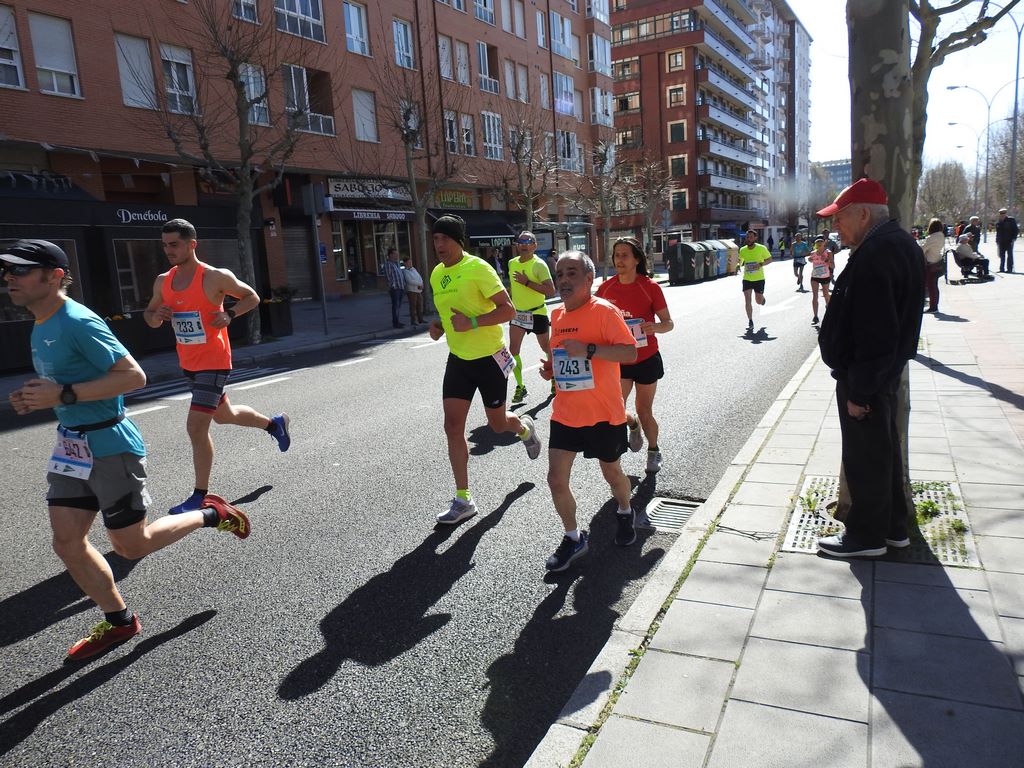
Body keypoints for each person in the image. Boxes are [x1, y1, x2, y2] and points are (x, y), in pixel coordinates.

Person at [3, 239, 251, 661]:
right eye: (6, 270)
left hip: (110, 446)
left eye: (20, 270)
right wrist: (37, 398)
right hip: (72, 446)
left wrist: (62, 392)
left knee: (130, 547)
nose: (9, 277)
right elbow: (66, 389)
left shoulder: (77, 322)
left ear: (55, 277)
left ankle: (211, 513)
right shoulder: (41, 322)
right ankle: (120, 621)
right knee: (67, 543)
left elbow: (133, 377)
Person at [143, 219, 290, 514]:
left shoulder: (214, 277)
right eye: (165, 245)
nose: (168, 250)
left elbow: (252, 296)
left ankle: (200, 495)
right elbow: (150, 316)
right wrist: (156, 314)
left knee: (196, 427)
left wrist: (230, 314)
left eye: (174, 244)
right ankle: (275, 424)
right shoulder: (163, 281)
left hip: (215, 361)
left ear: (192, 244)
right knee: (225, 416)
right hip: (189, 362)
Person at [815, 178, 924, 558]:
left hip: (867, 380)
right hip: (876, 376)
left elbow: (877, 334)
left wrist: (859, 392)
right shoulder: (891, 244)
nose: (835, 228)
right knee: (882, 453)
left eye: (840, 219)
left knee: (867, 459)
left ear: (862, 215)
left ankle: (866, 538)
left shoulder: (879, 252)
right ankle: (893, 529)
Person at [427, 214, 542, 525]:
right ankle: (463, 499)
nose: (439, 245)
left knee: (497, 424)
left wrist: (472, 323)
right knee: (453, 427)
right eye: (435, 239)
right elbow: (451, 316)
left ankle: (524, 428)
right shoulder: (437, 274)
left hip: (489, 358)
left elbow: (508, 310)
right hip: (459, 360)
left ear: (458, 241)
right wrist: (439, 327)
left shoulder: (478, 268)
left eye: (445, 239)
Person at [540, 251, 639, 572]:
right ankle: (573, 537)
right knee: (556, 479)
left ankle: (625, 511)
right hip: (566, 413)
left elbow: (629, 351)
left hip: (603, 413)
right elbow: (564, 360)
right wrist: (551, 369)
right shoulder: (557, 317)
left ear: (587, 279)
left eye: (571, 273)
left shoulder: (604, 312)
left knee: (612, 475)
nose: (564, 280)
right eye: (560, 274)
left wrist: (589, 349)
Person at [596, 237, 674, 474]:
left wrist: (654, 327)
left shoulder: (649, 287)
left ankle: (653, 450)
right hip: (619, 360)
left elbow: (668, 323)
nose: (619, 260)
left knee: (644, 409)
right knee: (615, 408)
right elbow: (595, 321)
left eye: (624, 255)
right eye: (616, 255)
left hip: (646, 358)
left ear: (637, 259)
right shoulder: (605, 289)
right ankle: (633, 426)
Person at [507, 230, 556, 404]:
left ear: (535, 246)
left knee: (546, 348)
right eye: (520, 241)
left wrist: (527, 282)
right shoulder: (512, 263)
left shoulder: (539, 265)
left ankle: (553, 378)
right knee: (513, 351)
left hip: (537, 313)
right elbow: (514, 288)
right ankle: (520, 386)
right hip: (518, 314)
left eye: (528, 241)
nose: (524, 245)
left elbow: (551, 291)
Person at [737, 229, 772, 332]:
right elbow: (741, 261)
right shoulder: (743, 250)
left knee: (758, 301)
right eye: (747, 237)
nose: (748, 239)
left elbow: (770, 259)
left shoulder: (761, 248)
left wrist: (760, 264)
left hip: (759, 279)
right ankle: (750, 321)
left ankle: (762, 299)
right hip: (747, 278)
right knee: (747, 300)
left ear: (755, 238)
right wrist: (737, 265)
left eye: (751, 237)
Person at [920, 218, 946, 312]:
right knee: (934, 285)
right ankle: (935, 304)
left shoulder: (932, 237)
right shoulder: (941, 235)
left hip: (931, 263)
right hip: (937, 261)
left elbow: (922, 249)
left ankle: (933, 307)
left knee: (931, 286)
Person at [807, 236, 834, 324]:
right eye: (817, 243)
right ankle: (815, 316)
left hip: (825, 276)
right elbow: (810, 260)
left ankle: (829, 308)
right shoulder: (813, 253)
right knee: (815, 295)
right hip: (815, 276)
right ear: (815, 244)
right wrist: (810, 259)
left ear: (824, 244)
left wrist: (827, 261)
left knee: (826, 295)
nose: (819, 245)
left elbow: (833, 266)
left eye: (820, 243)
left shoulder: (828, 252)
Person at [384, 247, 405, 328]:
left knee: (398, 305)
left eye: (397, 254)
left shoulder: (396, 264)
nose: (397, 256)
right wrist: (392, 286)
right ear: (390, 255)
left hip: (400, 287)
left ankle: (397, 321)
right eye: (395, 254)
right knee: (395, 305)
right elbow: (388, 277)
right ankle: (395, 323)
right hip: (395, 289)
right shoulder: (388, 264)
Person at [403, 256, 425, 326]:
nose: (410, 263)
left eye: (411, 262)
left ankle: (420, 319)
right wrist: (419, 284)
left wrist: (421, 283)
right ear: (405, 263)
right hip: (411, 291)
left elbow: (419, 277)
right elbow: (409, 281)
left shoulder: (413, 269)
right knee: (413, 306)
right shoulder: (405, 271)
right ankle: (413, 320)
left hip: (418, 290)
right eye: (409, 262)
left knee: (420, 304)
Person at [996, 207, 1019, 273]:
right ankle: (1001, 269)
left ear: (1006, 213)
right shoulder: (999, 222)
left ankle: (1009, 269)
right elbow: (998, 232)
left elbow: (1015, 230)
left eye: (1003, 213)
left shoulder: (1011, 220)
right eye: (1001, 213)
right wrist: (997, 240)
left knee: (1010, 255)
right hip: (1001, 241)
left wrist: (1014, 238)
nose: (1002, 214)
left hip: (1009, 240)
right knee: (1002, 255)